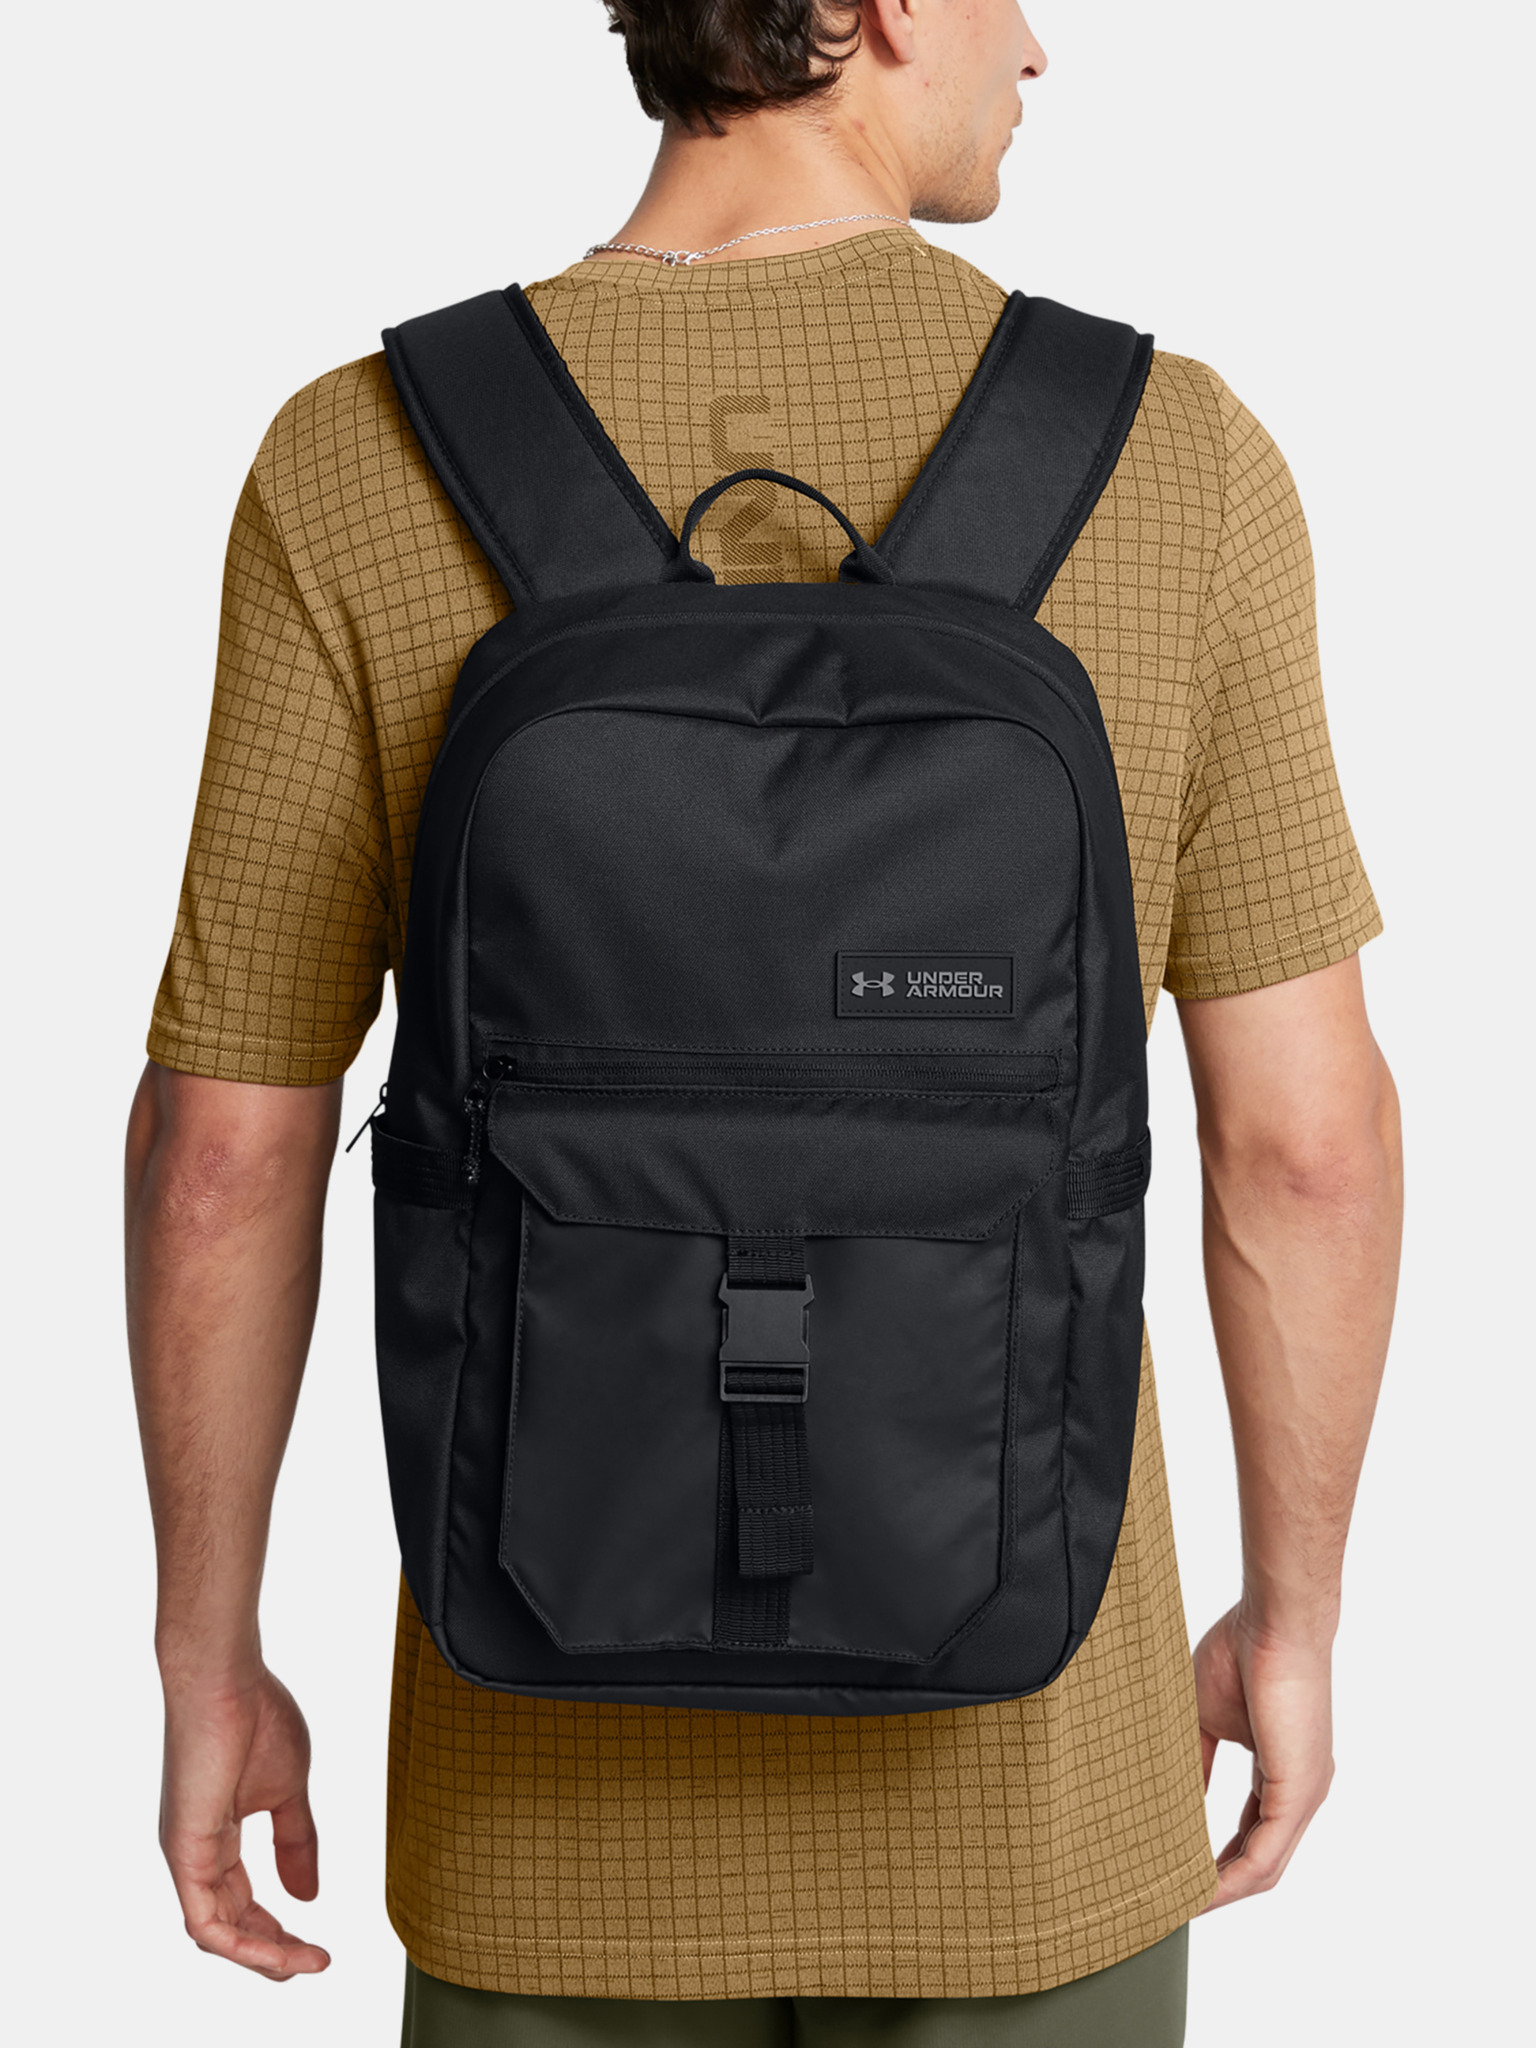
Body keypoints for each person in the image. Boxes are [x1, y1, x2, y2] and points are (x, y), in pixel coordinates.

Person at [126, 3, 1403, 2042]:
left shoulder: (360, 457)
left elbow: (226, 1151)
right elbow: (1304, 1146)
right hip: (1038, 1815)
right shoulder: (1174, 459)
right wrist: (1299, 1620)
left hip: (539, 1819)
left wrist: (207, 1659)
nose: (1040, 48)